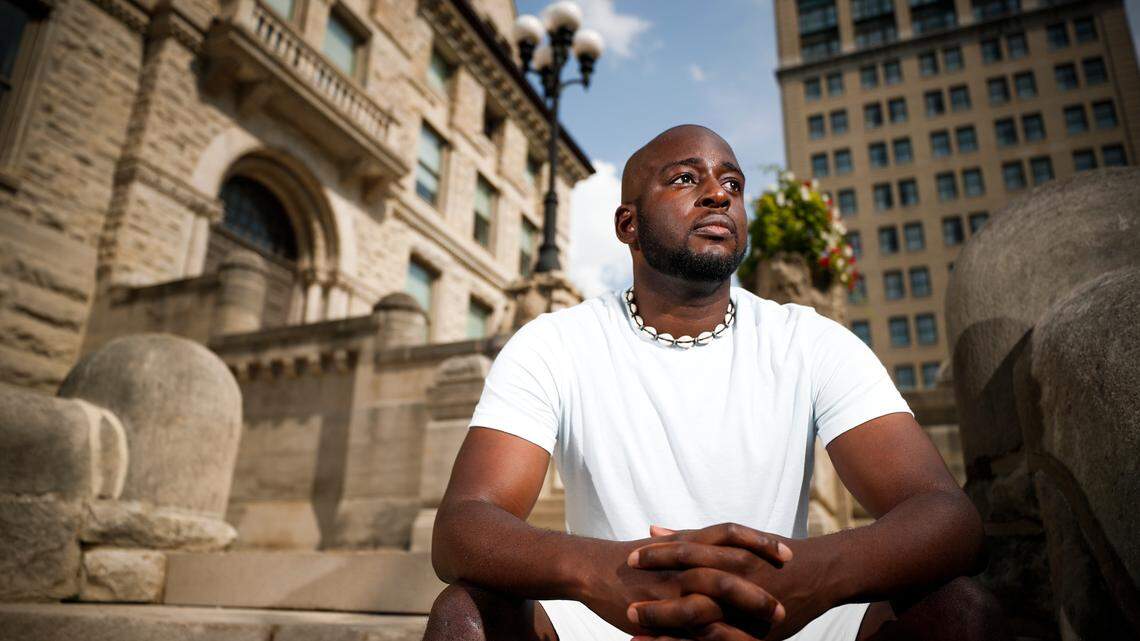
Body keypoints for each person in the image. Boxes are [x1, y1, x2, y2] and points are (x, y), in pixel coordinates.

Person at [422, 125, 1008, 641]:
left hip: (784, 613)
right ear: (627, 224)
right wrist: (609, 574)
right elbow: (464, 526)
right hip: (612, 619)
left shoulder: (810, 340)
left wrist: (805, 577)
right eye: (684, 178)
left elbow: (948, 517)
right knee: (464, 618)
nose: (718, 193)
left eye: (733, 182)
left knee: (960, 611)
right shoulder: (555, 342)